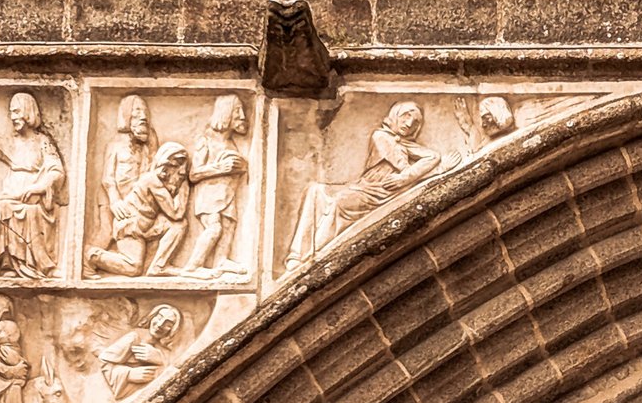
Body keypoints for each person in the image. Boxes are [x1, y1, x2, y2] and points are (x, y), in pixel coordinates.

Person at [285, 101, 458, 271]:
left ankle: (315, 256)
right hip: (367, 186)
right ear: (395, 115)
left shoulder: (403, 144)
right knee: (315, 190)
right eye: (406, 116)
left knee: (340, 202)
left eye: (415, 123)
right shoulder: (382, 136)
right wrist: (425, 173)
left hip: (381, 192)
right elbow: (415, 164)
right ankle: (298, 254)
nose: (409, 124)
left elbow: (432, 156)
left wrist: (407, 178)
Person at [0, 92, 67, 279]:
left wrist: (37, 187)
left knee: (31, 212)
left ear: (28, 111)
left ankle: (41, 265)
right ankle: (9, 265)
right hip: (11, 193)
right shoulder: (12, 142)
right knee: (1, 207)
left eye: (16, 112)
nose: (13, 117)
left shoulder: (42, 141)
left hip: (34, 197)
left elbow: (56, 171)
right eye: (11, 113)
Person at [86, 142, 189, 277]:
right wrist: (184, 190)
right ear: (163, 164)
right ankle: (91, 256)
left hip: (148, 224)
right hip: (131, 225)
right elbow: (175, 213)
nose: (180, 171)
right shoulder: (152, 180)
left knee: (179, 225)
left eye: (182, 167)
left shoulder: (164, 183)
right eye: (175, 166)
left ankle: (159, 266)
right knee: (133, 268)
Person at [185, 95, 248, 274]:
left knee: (228, 228)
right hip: (209, 195)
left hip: (227, 193)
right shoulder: (205, 140)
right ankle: (193, 267)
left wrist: (240, 166)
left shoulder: (229, 142)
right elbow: (194, 174)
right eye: (237, 111)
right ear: (225, 113)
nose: (242, 116)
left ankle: (221, 261)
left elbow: (234, 167)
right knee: (214, 228)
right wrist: (220, 168)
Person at [93, 95, 158, 248]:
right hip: (112, 197)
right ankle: (89, 262)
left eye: (145, 112)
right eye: (137, 111)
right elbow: (107, 178)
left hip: (134, 199)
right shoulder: (115, 144)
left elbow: (151, 170)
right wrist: (115, 201)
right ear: (127, 115)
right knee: (107, 233)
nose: (143, 116)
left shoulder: (148, 143)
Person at [98, 305, 182, 400]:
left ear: (172, 330)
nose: (160, 324)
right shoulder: (134, 337)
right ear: (152, 317)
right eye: (159, 317)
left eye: (168, 324)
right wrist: (129, 374)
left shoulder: (165, 351)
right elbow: (104, 361)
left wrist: (160, 359)